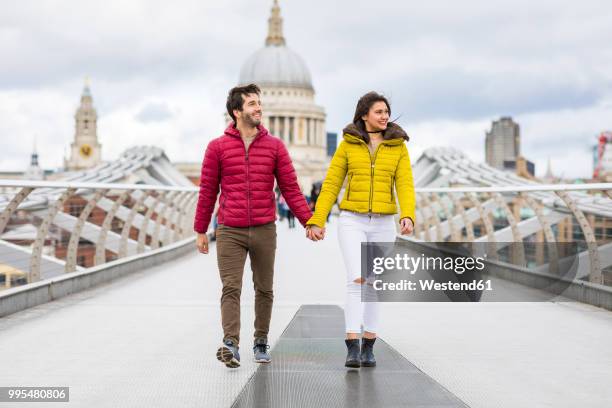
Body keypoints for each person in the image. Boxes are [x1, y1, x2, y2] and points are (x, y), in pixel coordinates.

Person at [194, 84, 313, 368]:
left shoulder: (275, 147)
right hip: (229, 229)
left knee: (264, 288)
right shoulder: (217, 147)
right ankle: (231, 344)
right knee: (231, 288)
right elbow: (207, 190)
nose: (258, 108)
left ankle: (261, 340)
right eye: (251, 104)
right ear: (236, 112)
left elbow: (291, 188)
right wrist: (201, 230)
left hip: (263, 228)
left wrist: (310, 221)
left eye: (259, 103)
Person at [305, 91, 416, 368]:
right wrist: (317, 220)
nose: (384, 117)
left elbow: (405, 183)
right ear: (364, 115)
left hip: (382, 223)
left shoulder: (398, 146)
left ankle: (369, 344)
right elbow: (331, 184)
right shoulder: (347, 144)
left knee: (374, 285)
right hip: (352, 220)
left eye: (386, 112)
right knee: (357, 280)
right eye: (379, 112)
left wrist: (408, 215)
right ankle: (352, 344)